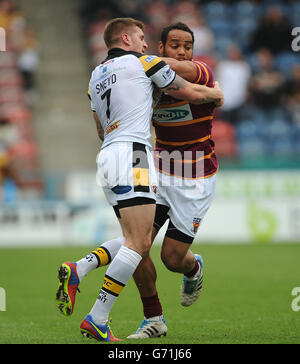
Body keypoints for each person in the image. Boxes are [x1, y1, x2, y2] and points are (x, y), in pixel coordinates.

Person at [56, 18, 223, 342]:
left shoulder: (194, 70)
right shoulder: (145, 70)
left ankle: (192, 269)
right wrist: (216, 97)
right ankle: (150, 318)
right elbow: (181, 88)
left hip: (193, 172)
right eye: (173, 45)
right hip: (149, 162)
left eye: (188, 46)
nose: (182, 52)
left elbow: (102, 127)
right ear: (159, 47)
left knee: (170, 257)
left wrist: (209, 88)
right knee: (140, 244)